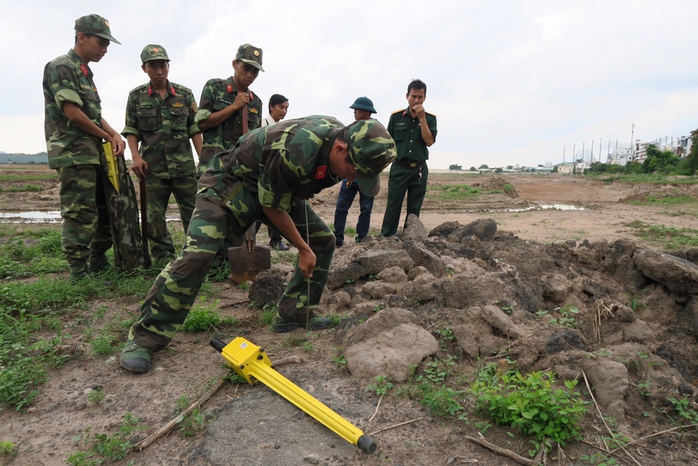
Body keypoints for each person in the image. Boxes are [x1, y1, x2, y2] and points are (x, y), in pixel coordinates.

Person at [120, 116, 396, 372]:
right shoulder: (298, 149)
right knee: (197, 255)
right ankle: (145, 337)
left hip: (274, 187)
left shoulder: (341, 140)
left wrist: (308, 243)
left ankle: (295, 312)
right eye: (354, 171)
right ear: (339, 149)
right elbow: (272, 207)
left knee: (322, 241)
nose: (352, 179)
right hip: (229, 184)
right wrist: (302, 247)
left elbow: (286, 192)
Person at [43, 14, 125, 280]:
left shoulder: (85, 72)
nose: (105, 49)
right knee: (80, 213)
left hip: (91, 155)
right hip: (72, 154)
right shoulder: (61, 66)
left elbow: (92, 112)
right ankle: (79, 272)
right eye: (101, 42)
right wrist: (106, 135)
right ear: (81, 37)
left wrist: (114, 134)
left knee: (103, 210)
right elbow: (74, 114)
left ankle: (97, 262)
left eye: (107, 44)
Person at [122, 45, 203, 267]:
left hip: (184, 168)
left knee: (194, 214)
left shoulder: (185, 95)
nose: (159, 71)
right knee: (154, 217)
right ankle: (164, 258)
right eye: (153, 66)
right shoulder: (136, 97)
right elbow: (131, 130)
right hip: (153, 169)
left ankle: (194, 257)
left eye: (163, 65)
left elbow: (194, 129)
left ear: (168, 66)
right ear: (144, 68)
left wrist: (203, 159)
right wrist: (136, 157)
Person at [195, 43, 264, 174]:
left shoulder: (256, 102)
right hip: (213, 170)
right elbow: (202, 124)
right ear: (234, 64)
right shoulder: (214, 87)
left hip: (241, 172)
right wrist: (234, 106)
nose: (250, 75)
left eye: (255, 71)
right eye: (246, 68)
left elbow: (255, 140)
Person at [380, 79, 437, 237]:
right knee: (393, 205)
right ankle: (387, 237)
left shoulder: (430, 119)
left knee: (414, 207)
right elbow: (388, 143)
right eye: (414, 96)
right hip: (399, 168)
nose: (416, 100)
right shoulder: (396, 117)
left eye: (420, 97)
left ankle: (410, 238)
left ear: (425, 97)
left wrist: (422, 119)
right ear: (407, 96)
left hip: (419, 169)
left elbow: (429, 141)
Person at [332, 97, 377, 246]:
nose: (355, 112)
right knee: (341, 208)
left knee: (366, 209)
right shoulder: (350, 129)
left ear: (367, 112)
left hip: (367, 179)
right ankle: (338, 238)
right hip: (349, 177)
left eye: (357, 109)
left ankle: (362, 239)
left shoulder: (375, 130)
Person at [259, 94, 290, 251]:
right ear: (271, 107)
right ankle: (245, 241)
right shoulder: (262, 123)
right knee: (257, 207)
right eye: (281, 107)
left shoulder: (282, 127)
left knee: (275, 205)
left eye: (286, 108)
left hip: (274, 173)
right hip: (260, 172)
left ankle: (276, 239)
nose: (284, 111)